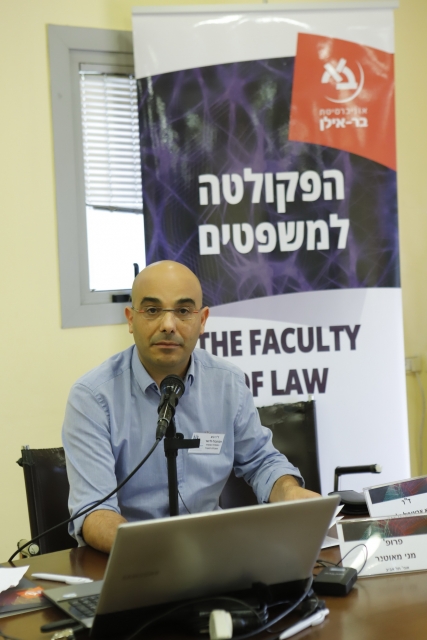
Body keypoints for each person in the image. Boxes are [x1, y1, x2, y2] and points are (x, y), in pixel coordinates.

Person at [62, 261, 319, 553]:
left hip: (213, 554)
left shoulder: (227, 382)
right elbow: (94, 511)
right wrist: (156, 552)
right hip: (134, 558)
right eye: (152, 310)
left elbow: (262, 462)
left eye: (183, 311)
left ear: (203, 320)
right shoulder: (92, 397)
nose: (168, 325)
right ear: (131, 319)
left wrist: (289, 492)